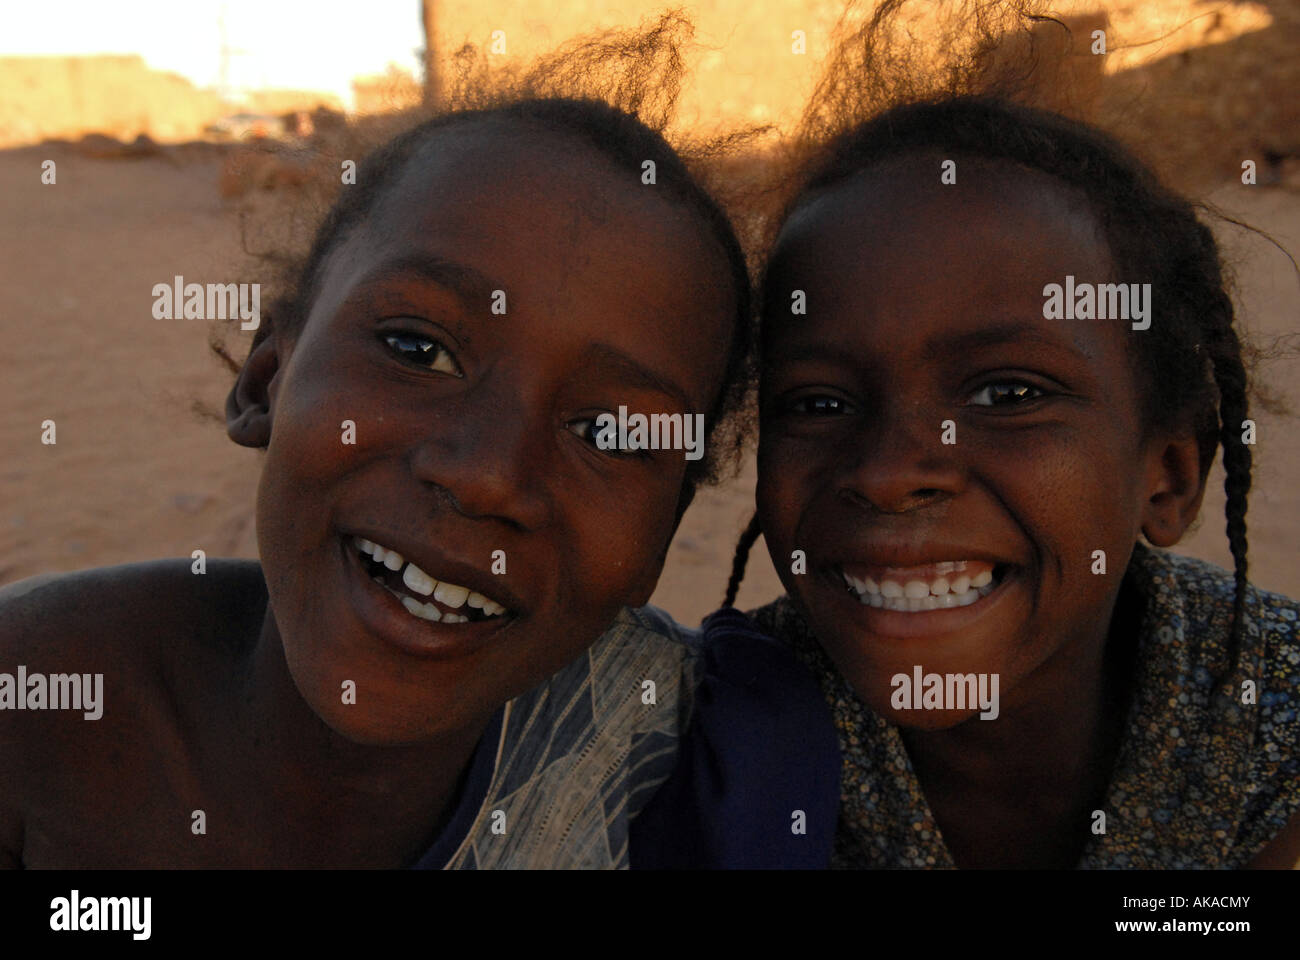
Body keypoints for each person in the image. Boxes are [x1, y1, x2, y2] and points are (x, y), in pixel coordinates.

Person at [0, 20, 837, 869]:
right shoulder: (35, 706)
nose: (486, 477)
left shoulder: (698, 765)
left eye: (609, 433)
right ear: (264, 380)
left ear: (662, 531)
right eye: (416, 350)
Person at [717, 45, 1300, 867]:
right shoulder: (706, 740)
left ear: (1170, 474)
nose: (889, 474)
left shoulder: (1271, 726)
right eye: (819, 404)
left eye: (1008, 395)